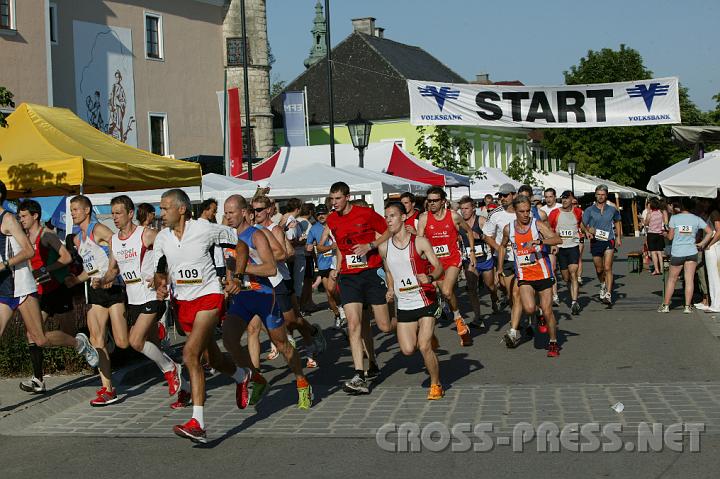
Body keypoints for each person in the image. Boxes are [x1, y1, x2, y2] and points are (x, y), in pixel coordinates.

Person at [153, 189, 249, 443]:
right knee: (213, 358)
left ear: (181, 209)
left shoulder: (204, 229)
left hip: (209, 297)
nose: (160, 214)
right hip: (183, 303)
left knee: (190, 354)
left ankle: (198, 423)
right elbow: (159, 271)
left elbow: (240, 244)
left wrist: (237, 277)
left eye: (165, 208)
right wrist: (160, 284)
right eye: (160, 209)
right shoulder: (162, 238)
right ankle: (241, 375)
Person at [222, 195, 313, 410]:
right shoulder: (227, 236)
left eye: (231, 212)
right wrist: (229, 282)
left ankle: (302, 382)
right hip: (243, 298)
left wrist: (241, 269)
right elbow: (230, 265)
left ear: (244, 212)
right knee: (229, 340)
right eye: (225, 213)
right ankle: (257, 380)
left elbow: (270, 269)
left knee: (282, 344)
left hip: (264, 296)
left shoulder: (257, 235)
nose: (227, 217)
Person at [97, 195, 182, 399]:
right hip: (133, 297)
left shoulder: (147, 234)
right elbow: (113, 270)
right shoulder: (114, 240)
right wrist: (101, 280)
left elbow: (173, 250)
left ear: (130, 213)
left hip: (151, 294)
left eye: (118, 213)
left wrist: (161, 276)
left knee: (135, 341)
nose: (115, 218)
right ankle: (183, 385)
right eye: (113, 214)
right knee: (145, 343)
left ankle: (170, 369)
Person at [13, 198, 98, 393]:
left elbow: (67, 257)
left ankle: (80, 342)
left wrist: (46, 269)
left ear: (35, 216)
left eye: (24, 216)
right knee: (32, 334)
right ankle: (38, 380)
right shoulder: (24, 236)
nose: (21, 219)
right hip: (37, 291)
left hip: (55, 289)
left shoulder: (47, 235)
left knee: (41, 334)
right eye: (19, 216)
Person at [325, 182, 393, 394]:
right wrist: (337, 269)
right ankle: (359, 374)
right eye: (331, 199)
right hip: (349, 277)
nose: (334, 203)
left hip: (371, 273)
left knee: (384, 326)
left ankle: (374, 359)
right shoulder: (331, 219)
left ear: (347, 197)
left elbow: (388, 231)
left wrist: (370, 245)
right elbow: (340, 248)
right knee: (354, 324)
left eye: (337, 198)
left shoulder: (366, 213)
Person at [65, 195, 128, 406]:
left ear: (87, 210)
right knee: (96, 340)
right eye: (71, 209)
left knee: (122, 342)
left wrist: (111, 272)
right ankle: (108, 389)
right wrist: (76, 279)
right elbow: (90, 268)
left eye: (75, 209)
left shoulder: (97, 229)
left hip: (112, 287)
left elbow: (117, 245)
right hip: (95, 291)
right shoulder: (78, 238)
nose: (73, 213)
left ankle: (150, 330)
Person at [251, 195, 326, 368]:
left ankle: (311, 337)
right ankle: (288, 343)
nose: (256, 213)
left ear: (269, 210)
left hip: (281, 279)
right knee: (258, 321)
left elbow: (287, 253)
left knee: (292, 320)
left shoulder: (275, 229)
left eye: (259, 209)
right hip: (262, 281)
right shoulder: (253, 230)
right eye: (253, 210)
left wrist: (265, 257)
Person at [379, 202, 444, 400]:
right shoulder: (384, 247)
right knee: (408, 350)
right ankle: (430, 338)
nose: (389, 220)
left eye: (392, 216)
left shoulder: (420, 242)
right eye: (386, 216)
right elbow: (389, 272)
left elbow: (439, 266)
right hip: (405, 304)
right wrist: (390, 288)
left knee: (423, 346)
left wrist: (431, 277)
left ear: (403, 217)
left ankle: (435, 384)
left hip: (425, 300)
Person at [497, 196, 563, 356]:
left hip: (543, 274)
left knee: (548, 311)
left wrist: (540, 243)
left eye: (528, 211)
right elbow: (502, 246)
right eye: (522, 212)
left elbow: (557, 239)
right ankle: (538, 314)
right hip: (524, 275)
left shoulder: (537, 224)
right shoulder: (508, 229)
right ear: (515, 212)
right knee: (529, 308)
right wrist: (499, 267)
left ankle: (553, 342)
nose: (526, 214)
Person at [417, 186, 476, 346]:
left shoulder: (454, 216)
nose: (432, 204)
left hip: (452, 260)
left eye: (435, 200)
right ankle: (455, 318)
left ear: (443, 201)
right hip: (435, 263)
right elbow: (419, 241)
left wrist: (471, 252)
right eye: (429, 201)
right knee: (444, 294)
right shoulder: (423, 218)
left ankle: (457, 318)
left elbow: (469, 231)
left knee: (447, 291)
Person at [658, 197, 712, 313]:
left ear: (681, 206)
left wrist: (665, 234)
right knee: (689, 280)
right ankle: (687, 306)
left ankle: (666, 305)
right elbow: (710, 231)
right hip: (692, 252)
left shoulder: (675, 218)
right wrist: (702, 243)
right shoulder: (696, 219)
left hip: (678, 252)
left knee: (672, 279)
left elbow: (671, 237)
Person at [457, 196, 499, 328]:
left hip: (485, 259)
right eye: (462, 208)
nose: (464, 211)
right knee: (472, 289)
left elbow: (491, 238)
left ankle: (494, 299)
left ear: (473, 208)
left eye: (467, 208)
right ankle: (477, 316)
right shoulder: (458, 224)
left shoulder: (481, 221)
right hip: (469, 260)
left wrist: (480, 236)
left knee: (490, 286)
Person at [582, 185, 622, 305]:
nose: (600, 196)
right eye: (598, 194)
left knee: (608, 267)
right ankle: (603, 284)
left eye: (603, 194)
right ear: (595, 195)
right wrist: (588, 231)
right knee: (599, 269)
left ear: (606, 195)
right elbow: (582, 225)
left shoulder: (612, 209)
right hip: (595, 241)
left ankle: (608, 294)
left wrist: (618, 237)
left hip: (609, 240)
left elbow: (617, 221)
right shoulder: (589, 210)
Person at [548, 191, 583, 315]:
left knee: (573, 272)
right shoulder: (555, 213)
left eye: (567, 198)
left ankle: (574, 302)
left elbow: (580, 224)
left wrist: (585, 232)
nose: (564, 201)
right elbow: (550, 229)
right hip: (561, 248)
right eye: (563, 199)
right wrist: (553, 243)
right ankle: (571, 291)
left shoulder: (578, 212)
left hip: (573, 246)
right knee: (565, 277)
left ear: (572, 199)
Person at [306, 203, 340, 324]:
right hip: (323, 263)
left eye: (323, 213)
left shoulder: (336, 223)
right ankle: (337, 314)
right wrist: (309, 246)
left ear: (328, 213)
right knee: (329, 292)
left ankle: (342, 307)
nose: (321, 216)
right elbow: (308, 245)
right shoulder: (314, 229)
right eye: (318, 214)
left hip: (337, 261)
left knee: (337, 289)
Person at [541, 188, 561, 305]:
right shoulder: (541, 210)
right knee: (551, 268)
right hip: (547, 241)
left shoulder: (559, 208)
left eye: (550, 196)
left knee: (563, 271)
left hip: (560, 240)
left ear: (555, 197)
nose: (548, 199)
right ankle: (554, 295)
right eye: (546, 197)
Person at [643, 197, 667, 276]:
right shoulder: (660, 213)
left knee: (653, 252)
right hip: (659, 234)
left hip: (651, 234)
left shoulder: (650, 214)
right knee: (659, 252)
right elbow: (664, 222)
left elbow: (646, 223)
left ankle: (657, 269)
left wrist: (644, 219)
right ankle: (662, 269)